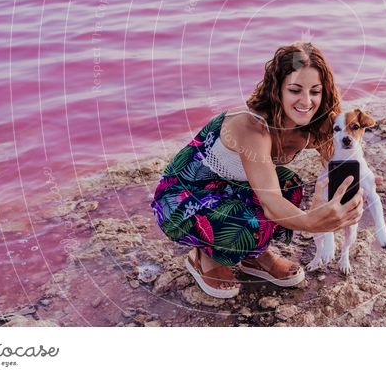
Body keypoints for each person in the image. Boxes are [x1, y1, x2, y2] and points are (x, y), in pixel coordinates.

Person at [151, 42, 364, 299]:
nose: (307, 102)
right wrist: (311, 222)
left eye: (315, 91)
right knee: (252, 220)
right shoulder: (251, 126)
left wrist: (355, 189)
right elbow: (269, 199)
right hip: (185, 196)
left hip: (235, 186)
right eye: (295, 90)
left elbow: (344, 154)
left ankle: (254, 257)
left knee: (290, 186)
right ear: (278, 91)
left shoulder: (316, 122)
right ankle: (205, 258)